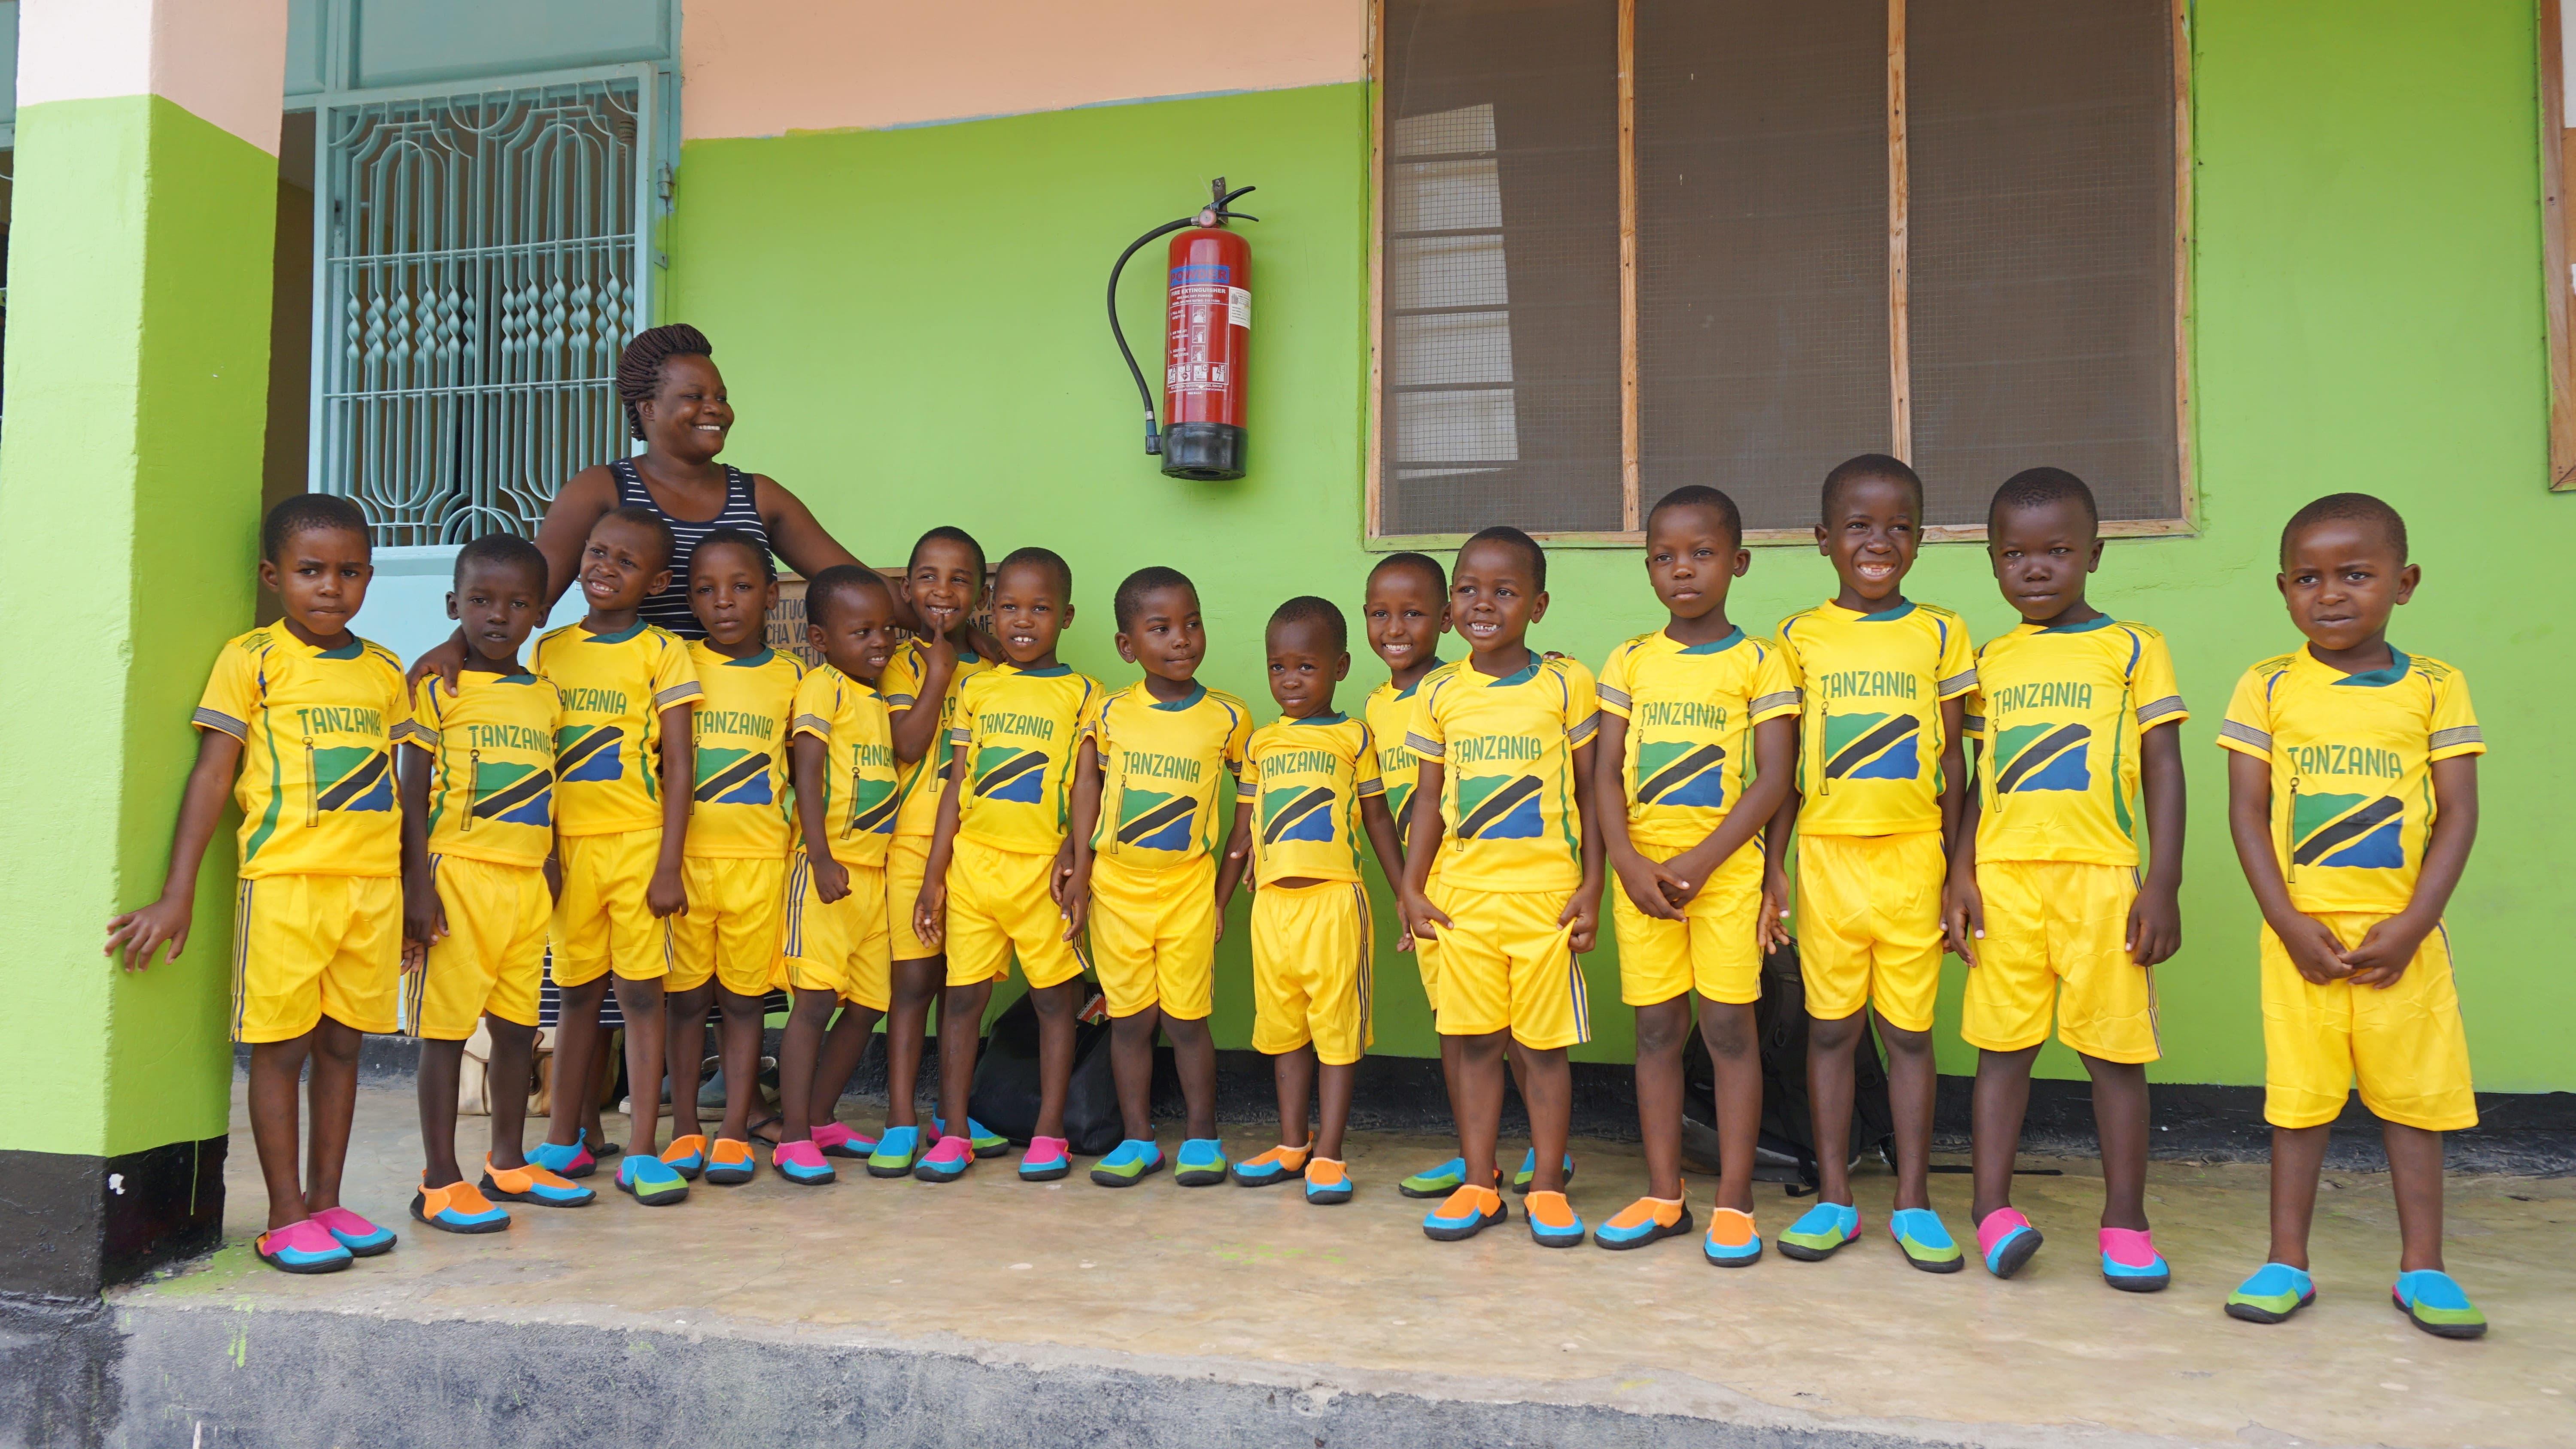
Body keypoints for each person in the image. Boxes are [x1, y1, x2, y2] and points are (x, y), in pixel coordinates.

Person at [106, 495, 409, 1273]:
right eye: (311, 571)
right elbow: (214, 776)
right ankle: (283, 1215)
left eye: (348, 572)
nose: (330, 588)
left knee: (346, 1045)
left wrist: (414, 888)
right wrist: (178, 892)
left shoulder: (385, 670)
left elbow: (404, 787)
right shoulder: (253, 658)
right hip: (285, 884)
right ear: (275, 576)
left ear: (370, 577)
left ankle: (328, 1200)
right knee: (281, 1049)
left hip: (371, 890)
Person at [2217, 494, 2486, 1339]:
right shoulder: (2267, 685)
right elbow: (2247, 812)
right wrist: (2289, 921)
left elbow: (2458, 814)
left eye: (2356, 574)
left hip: (2403, 939)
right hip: (2302, 940)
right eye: (2308, 577)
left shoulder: (2438, 686)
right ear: (2284, 588)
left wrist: (2413, 924)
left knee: (2414, 1104)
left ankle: (2424, 1268)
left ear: (2403, 583)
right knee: (2299, 1105)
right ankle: (2286, 1259)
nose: (2330, 594)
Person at [1942, 469, 2186, 1289]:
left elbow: (2164, 766)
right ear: (1992, 561)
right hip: (2004, 883)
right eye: (2015, 554)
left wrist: (2163, 882)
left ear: (2094, 554)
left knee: (2115, 1055)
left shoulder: (2134, 647)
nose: (2035, 568)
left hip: (2102, 882)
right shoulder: (1991, 659)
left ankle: (2125, 1220)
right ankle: (1992, 1211)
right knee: (2000, 1049)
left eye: (2056, 551)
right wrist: (1960, 872)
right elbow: (1979, 775)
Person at [407, 324, 906, 685]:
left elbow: (856, 584)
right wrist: (456, 646)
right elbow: (524, 591)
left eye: (721, 396)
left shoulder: (760, 494)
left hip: (739, 703)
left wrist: (946, 625)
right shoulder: (602, 490)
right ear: (647, 409)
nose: (715, 409)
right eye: (695, 395)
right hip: (631, 703)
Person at [1767, 455, 1974, 1272]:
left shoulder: (1941, 631)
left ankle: (1916, 1202)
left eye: (1897, 527)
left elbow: (1956, 762)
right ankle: (1835, 1198)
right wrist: (1774, 867)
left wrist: (1960, 870)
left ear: (1919, 539)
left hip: (1915, 860)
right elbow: (1780, 771)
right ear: (1825, 540)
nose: (1878, 541)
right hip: (1824, 861)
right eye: (1859, 526)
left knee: (1910, 1035)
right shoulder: (1796, 636)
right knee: (1830, 1031)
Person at [1592, 486, 1799, 1261]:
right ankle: (1663, 1194)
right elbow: (1605, 775)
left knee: (1727, 1029)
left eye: (1702, 554)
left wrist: (1702, 862)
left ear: (1737, 563)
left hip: (1725, 875)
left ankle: (1735, 1202)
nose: (1683, 570)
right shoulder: (1631, 659)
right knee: (1654, 1030)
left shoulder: (1760, 660)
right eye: (1665, 557)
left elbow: (1775, 777)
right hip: (1643, 876)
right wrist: (1628, 861)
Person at [1396, 527, 1604, 1248]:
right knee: (1476, 1043)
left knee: (1543, 1050)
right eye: (1469, 591)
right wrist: (1413, 888)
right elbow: (1428, 800)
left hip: (1545, 900)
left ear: (1537, 605)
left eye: (1505, 592)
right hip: (1463, 902)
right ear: (1452, 607)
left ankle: (1546, 1184)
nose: (1485, 604)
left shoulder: (1566, 682)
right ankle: (1480, 1184)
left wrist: (1594, 886)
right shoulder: (1440, 692)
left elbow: (1591, 789)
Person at [395, 534, 595, 1233]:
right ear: (455, 605)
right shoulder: (435, 687)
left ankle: (506, 1161)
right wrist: (416, 888)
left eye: (516, 604)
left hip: (525, 886)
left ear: (539, 614)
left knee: (517, 1029)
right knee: (447, 1034)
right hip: (458, 881)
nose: (497, 616)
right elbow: (412, 794)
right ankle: (440, 1179)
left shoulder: (545, 696)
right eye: (480, 601)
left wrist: (552, 866)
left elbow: (550, 785)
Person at [524, 507, 702, 1206]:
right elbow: (535, 755)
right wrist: (544, 848)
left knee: (640, 996)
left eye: (626, 562)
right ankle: (566, 1137)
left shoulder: (662, 652)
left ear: (656, 581)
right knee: (573, 995)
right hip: (567, 852)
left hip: (636, 846)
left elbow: (680, 765)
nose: (604, 567)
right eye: (597, 552)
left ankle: (642, 1149)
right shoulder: (551, 650)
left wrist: (667, 863)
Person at [912, 547, 1104, 1184]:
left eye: (1041, 608)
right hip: (973, 872)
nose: (1024, 621)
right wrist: (934, 876)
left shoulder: (1084, 696)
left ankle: (1049, 1132)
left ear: (1067, 616)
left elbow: (1085, 786)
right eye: (1010, 608)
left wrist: (1077, 860)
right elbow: (955, 785)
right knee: (963, 999)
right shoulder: (976, 688)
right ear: (990, 612)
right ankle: (956, 1130)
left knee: (1055, 1004)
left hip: (1041, 877)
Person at [1219, 597, 1405, 1204]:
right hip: (1271, 908)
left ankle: (1330, 1150)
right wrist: (1221, 903)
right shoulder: (1261, 743)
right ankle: (1292, 1141)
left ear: (1340, 667)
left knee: (1335, 1031)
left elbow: (1378, 820)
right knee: (1284, 1031)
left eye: (1306, 667)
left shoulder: (1354, 737)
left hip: (1333, 906)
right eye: (1278, 668)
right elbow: (1242, 833)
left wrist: (1406, 892)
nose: (1290, 681)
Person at [1081, 569, 1252, 1188]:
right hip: (1116, 889)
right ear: (1129, 646)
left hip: (1188, 890)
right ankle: (1137, 1139)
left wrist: (1222, 894)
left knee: (1186, 1021)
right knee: (1130, 1020)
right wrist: (1077, 866)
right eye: (1161, 629)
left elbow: (1251, 808)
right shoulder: (1110, 713)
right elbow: (1086, 790)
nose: (1182, 640)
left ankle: (1203, 1138)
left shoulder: (1230, 718)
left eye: (1192, 623)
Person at [661, 528, 805, 1188]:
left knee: (746, 1005)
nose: (724, 603)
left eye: (742, 587)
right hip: (687, 862)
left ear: (772, 596)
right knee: (687, 1003)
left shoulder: (793, 677)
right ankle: (683, 1127)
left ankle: (734, 1129)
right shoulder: (672, 662)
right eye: (707, 590)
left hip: (760, 864)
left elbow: (808, 773)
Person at [866, 527, 996, 1177]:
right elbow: (908, 745)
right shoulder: (894, 660)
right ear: (905, 588)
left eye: (960, 579)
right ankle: (897, 1118)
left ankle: (952, 1114)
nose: (942, 591)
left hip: (974, 843)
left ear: (981, 595)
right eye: (928, 576)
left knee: (962, 983)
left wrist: (971, 656)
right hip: (912, 842)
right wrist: (939, 676)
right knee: (913, 979)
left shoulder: (996, 669)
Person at [775, 567, 906, 1186]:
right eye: (862, 632)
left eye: (886, 629)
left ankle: (822, 1118)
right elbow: (808, 773)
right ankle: (792, 1135)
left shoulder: (877, 694)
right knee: (815, 1003)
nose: (879, 642)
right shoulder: (822, 688)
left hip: (873, 877)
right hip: (827, 871)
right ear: (823, 639)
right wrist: (821, 855)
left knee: (868, 1005)